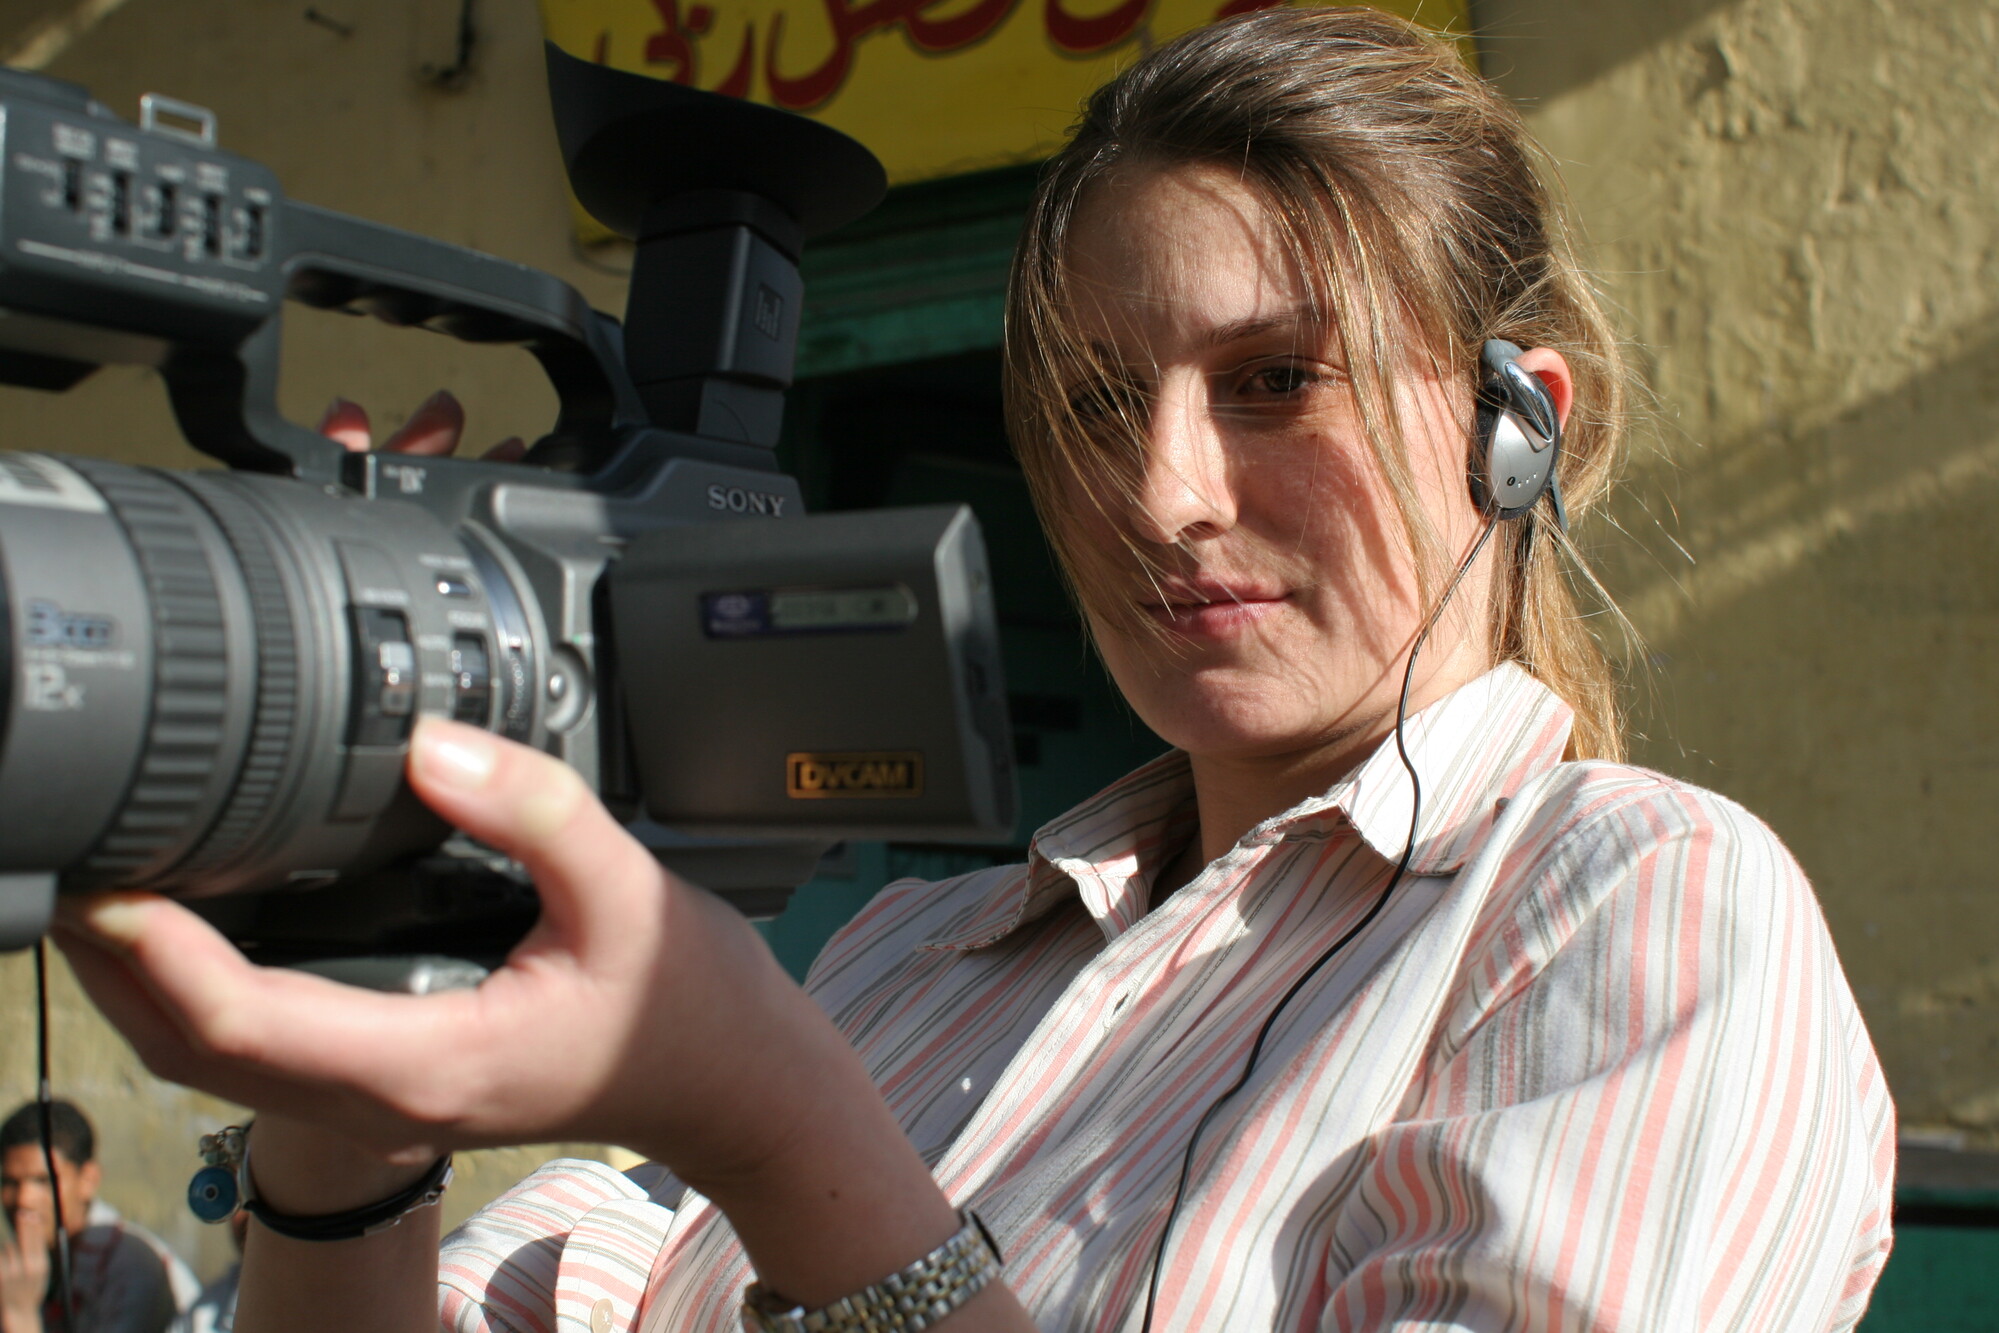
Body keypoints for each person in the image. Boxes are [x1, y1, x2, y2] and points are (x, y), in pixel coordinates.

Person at [50, 8, 1895, 1331]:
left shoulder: (1628, 912)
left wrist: (789, 1148)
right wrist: (352, 1013)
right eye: (1099, 400)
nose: (1160, 494)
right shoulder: (900, 962)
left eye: (1273, 378)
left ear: (1519, 427)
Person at [0, 1102, 198, 1333]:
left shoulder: (131, 1267)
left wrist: (19, 1313)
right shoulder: (22, 1268)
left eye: (44, 1181)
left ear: (88, 1180)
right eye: (10, 1183)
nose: (24, 1199)